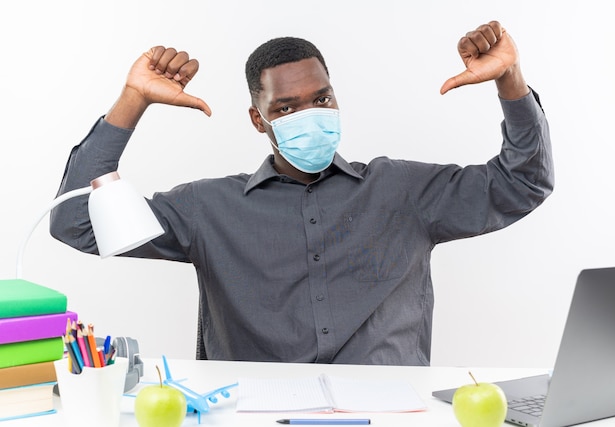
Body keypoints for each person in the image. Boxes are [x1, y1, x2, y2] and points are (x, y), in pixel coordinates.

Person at [50, 21, 553, 365]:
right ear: (258, 119)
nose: (310, 113)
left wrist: (510, 79)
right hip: (253, 413)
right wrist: (133, 99)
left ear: (336, 98)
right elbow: (74, 222)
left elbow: (523, 182)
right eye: (287, 107)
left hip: (395, 411)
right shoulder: (206, 209)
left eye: (321, 99)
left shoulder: (402, 191)